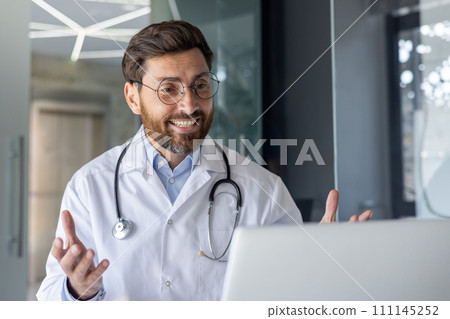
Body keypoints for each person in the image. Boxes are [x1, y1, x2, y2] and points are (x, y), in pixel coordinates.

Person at [36, 20, 371, 301]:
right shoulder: (90, 185)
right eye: (168, 89)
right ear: (133, 97)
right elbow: (50, 295)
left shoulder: (261, 188)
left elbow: (291, 295)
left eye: (200, 85)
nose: (190, 105)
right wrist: (77, 289)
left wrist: (324, 267)